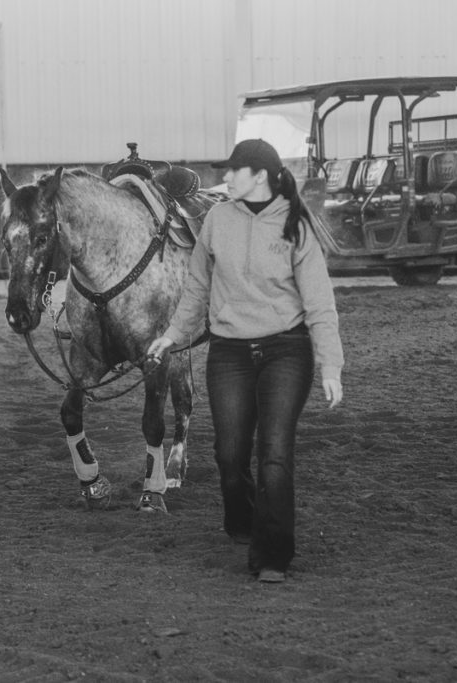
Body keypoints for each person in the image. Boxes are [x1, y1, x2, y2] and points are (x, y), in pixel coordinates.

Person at [147, 138, 344, 584]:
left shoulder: (296, 226)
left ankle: (273, 553)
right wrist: (173, 337)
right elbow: (196, 288)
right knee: (230, 455)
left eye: (234, 171)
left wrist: (330, 365)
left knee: (274, 453)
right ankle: (243, 519)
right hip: (230, 352)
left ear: (260, 176)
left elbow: (319, 304)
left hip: (286, 351)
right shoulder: (217, 220)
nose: (225, 178)